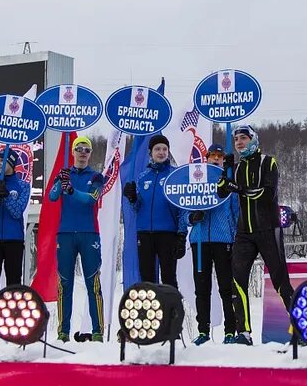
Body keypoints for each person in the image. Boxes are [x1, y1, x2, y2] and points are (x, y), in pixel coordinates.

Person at [218, 124, 293, 346]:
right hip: (244, 233)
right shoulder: (237, 167)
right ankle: (244, 332)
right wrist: (226, 173)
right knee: (237, 281)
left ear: (254, 140)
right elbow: (221, 190)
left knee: (281, 281)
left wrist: (238, 188)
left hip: (269, 229)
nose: (240, 142)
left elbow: (266, 193)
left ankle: (300, 326)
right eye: (236, 139)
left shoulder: (268, 162)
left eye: (244, 138)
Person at [179, 144, 238, 345]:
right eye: (212, 156)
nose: (215, 160)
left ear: (223, 160)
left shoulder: (229, 182)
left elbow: (236, 211)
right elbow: (184, 211)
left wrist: (237, 236)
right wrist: (192, 217)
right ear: (206, 159)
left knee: (226, 287)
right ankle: (203, 330)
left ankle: (230, 330)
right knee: (202, 288)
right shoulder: (198, 181)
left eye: (219, 157)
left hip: (223, 241)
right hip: (200, 240)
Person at [50, 136, 104, 343]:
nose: (82, 152)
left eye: (86, 150)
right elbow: (53, 197)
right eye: (78, 149)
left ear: (90, 154)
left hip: (89, 233)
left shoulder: (96, 176)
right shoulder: (64, 174)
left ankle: (98, 330)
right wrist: (60, 182)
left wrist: (71, 189)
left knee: (93, 284)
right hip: (65, 233)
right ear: (72, 152)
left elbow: (91, 199)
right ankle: (63, 331)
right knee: (65, 284)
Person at [123, 134, 186, 289]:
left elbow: (182, 207)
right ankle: (151, 312)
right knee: (147, 278)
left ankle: (172, 312)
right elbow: (137, 207)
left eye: (165, 149)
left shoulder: (175, 175)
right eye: (157, 149)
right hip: (144, 233)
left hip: (167, 233)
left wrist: (181, 234)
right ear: (150, 152)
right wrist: (132, 198)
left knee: (168, 277)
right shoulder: (143, 177)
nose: (161, 152)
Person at [0, 150, 30, 342]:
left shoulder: (23, 186)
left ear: (11, 163)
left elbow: (17, 212)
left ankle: (13, 325)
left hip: (14, 240)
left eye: (2, 162)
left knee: (13, 284)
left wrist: (6, 195)